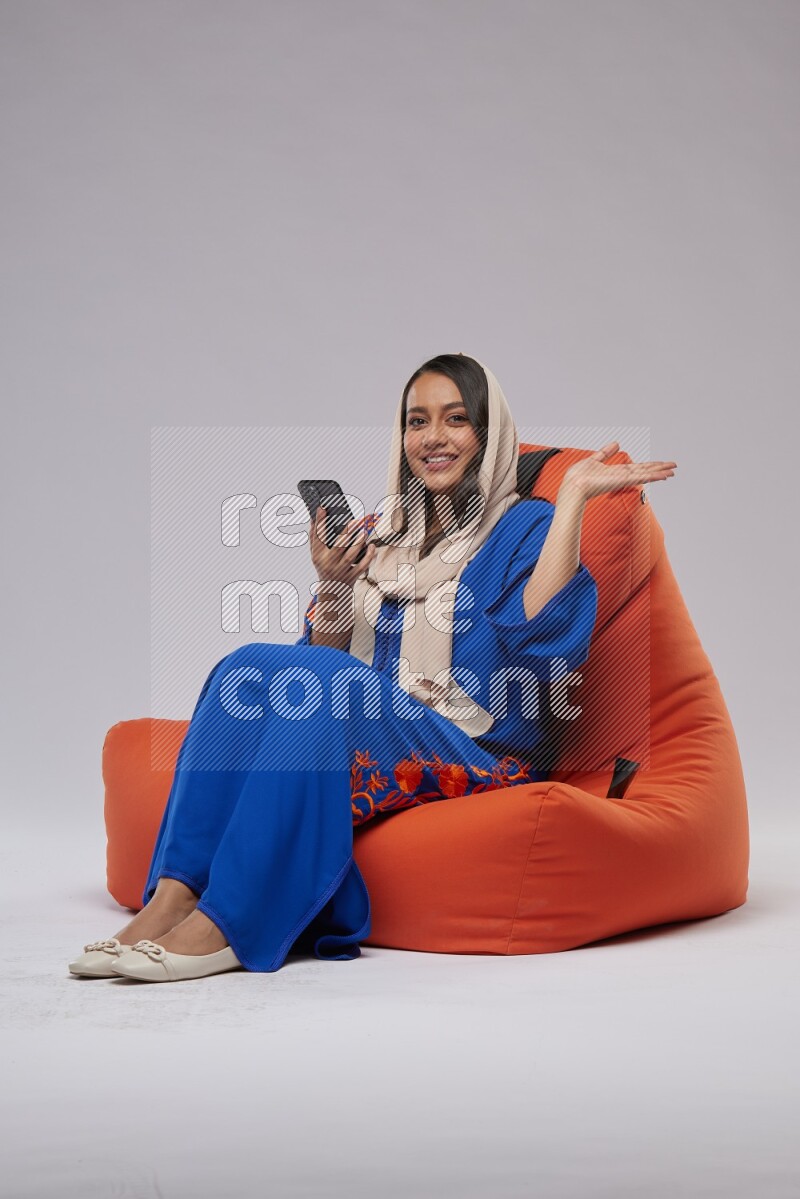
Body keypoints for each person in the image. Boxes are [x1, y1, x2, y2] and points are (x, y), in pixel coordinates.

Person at [68, 353, 676, 983]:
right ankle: (173, 896)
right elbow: (316, 672)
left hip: (481, 746)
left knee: (329, 687)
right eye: (417, 422)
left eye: (456, 419)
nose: (432, 438)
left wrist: (573, 494)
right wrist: (332, 586)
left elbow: (543, 638)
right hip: (378, 720)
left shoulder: (525, 525)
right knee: (244, 667)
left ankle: (233, 923)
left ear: (489, 435)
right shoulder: (381, 533)